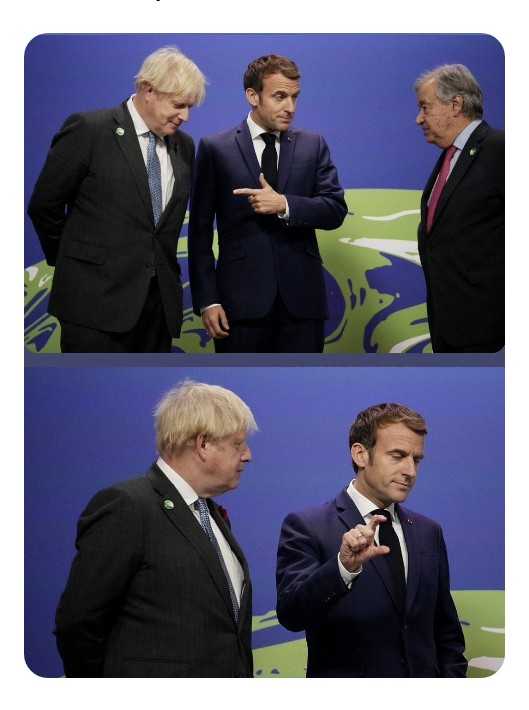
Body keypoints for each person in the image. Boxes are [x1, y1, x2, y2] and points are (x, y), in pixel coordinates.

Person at [55, 380, 256, 678]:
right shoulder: (127, 507)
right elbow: (79, 623)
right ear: (203, 444)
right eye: (238, 444)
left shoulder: (211, 514)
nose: (247, 455)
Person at [28, 47, 206, 353]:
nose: (185, 117)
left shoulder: (184, 147)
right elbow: (45, 206)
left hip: (157, 311)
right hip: (93, 307)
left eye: (190, 107)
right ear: (148, 90)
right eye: (179, 105)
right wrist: (79, 265)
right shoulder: (90, 130)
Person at [276, 403, 467, 678]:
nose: (410, 471)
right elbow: (292, 615)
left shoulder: (429, 532)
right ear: (361, 454)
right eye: (398, 456)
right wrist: (343, 566)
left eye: (417, 459)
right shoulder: (308, 526)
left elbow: (446, 632)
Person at [188, 54, 347, 353]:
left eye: (295, 97)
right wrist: (208, 300)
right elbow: (199, 233)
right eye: (280, 96)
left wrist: (284, 204)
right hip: (239, 307)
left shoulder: (313, 145)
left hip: (302, 306)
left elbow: (335, 209)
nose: (290, 107)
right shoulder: (215, 148)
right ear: (252, 95)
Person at [415, 64, 504, 352]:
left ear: (455, 104)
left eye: (425, 108)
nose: (419, 119)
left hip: (490, 333)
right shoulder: (448, 158)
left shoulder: (501, 149)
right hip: (448, 327)